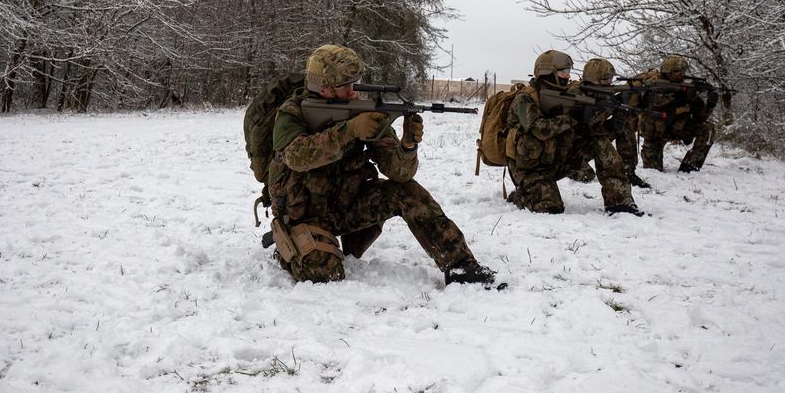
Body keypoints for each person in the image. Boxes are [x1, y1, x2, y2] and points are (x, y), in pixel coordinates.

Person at [267, 44, 498, 287]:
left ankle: (461, 266)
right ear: (322, 87)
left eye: (356, 82)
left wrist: (408, 147)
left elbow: (399, 173)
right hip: (305, 214)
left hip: (348, 206)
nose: (353, 91)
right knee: (325, 273)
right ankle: (287, 246)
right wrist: (349, 131)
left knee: (407, 192)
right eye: (346, 85)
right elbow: (296, 156)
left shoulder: (363, 111)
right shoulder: (292, 113)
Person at [505, 51, 645, 216]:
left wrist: (611, 125)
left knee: (599, 141)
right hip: (530, 168)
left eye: (568, 71)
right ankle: (522, 194)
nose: (567, 76)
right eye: (562, 71)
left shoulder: (567, 94)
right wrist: (573, 117)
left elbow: (586, 132)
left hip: (559, 159)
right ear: (547, 72)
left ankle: (619, 203)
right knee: (551, 208)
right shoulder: (525, 98)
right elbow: (539, 129)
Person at [622, 54, 717, 174]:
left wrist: (710, 104)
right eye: (677, 71)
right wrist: (680, 97)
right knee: (653, 172)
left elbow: (700, 117)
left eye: (683, 71)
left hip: (678, 128)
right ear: (668, 72)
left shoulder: (686, 88)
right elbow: (655, 105)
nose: (681, 74)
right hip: (656, 134)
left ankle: (690, 167)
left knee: (708, 128)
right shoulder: (654, 86)